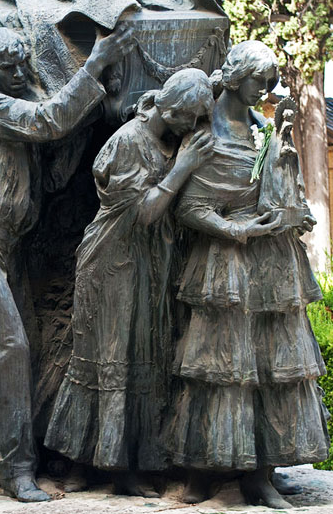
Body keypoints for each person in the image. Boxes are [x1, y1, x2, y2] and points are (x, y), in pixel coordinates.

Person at [0, 24, 135, 502]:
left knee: (10, 352)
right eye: (5, 68)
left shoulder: (11, 112)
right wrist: (94, 63)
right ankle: (16, 470)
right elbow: (49, 119)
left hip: (6, 246)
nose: (16, 74)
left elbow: (49, 168)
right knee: (10, 349)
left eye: (19, 64)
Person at [167, 41, 329, 508]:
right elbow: (189, 208)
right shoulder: (207, 132)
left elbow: (278, 183)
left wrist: (282, 145)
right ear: (235, 77)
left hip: (272, 260)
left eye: (272, 81)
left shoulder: (260, 125)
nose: (268, 89)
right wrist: (236, 227)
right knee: (222, 368)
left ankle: (263, 471)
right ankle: (207, 468)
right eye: (261, 80)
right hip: (227, 263)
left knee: (272, 367)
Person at [44, 69, 214, 495]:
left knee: (138, 360)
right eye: (191, 119)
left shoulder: (164, 137)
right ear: (172, 110)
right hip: (114, 263)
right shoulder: (127, 142)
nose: (194, 129)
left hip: (145, 266)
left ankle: (102, 461)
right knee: (109, 359)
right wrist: (184, 166)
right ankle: (113, 469)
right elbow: (143, 212)